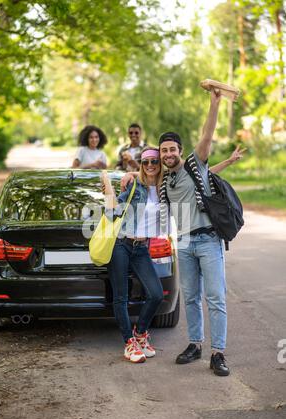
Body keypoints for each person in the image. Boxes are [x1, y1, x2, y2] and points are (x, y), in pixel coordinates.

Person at [120, 89, 246, 376]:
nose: (167, 154)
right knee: (190, 297)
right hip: (184, 244)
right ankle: (195, 345)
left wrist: (214, 104)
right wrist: (127, 175)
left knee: (214, 297)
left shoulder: (194, 164)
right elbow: (146, 184)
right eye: (163, 151)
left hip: (208, 240)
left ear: (179, 150)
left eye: (171, 149)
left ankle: (218, 353)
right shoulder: (164, 182)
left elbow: (207, 135)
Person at [104, 147, 164, 363]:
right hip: (121, 244)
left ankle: (140, 333)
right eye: (146, 162)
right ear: (141, 163)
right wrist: (109, 193)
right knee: (121, 297)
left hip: (141, 248)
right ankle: (129, 343)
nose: (150, 165)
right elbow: (111, 215)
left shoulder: (164, 188)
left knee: (156, 294)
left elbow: (189, 173)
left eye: (154, 161)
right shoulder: (133, 185)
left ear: (160, 164)